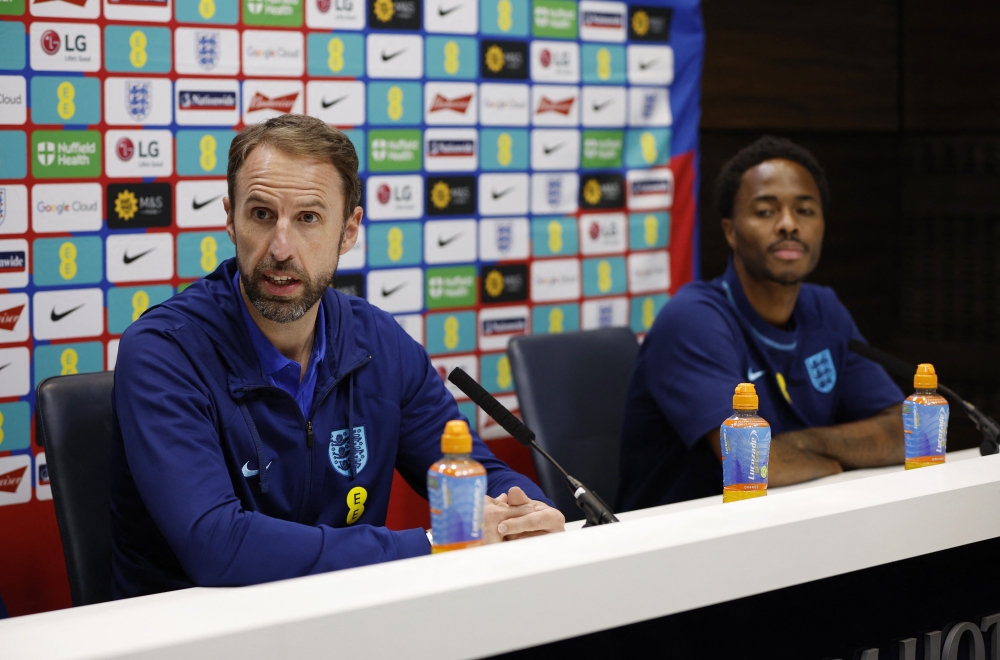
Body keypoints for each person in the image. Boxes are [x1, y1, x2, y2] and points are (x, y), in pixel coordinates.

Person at [110, 114, 564, 598]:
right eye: (261, 214)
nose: (280, 249)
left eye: (308, 218)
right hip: (192, 634)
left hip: (347, 621)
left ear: (349, 231)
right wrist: (432, 544)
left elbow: (479, 474)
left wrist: (525, 512)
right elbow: (217, 545)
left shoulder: (378, 343)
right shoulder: (165, 351)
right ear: (230, 218)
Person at [617, 136, 904, 510]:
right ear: (730, 231)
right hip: (679, 543)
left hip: (792, 522)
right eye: (766, 211)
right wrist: (841, 454)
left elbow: (906, 431)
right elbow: (750, 466)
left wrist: (806, 449)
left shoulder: (823, 307)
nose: (788, 225)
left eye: (805, 210)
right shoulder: (694, 318)